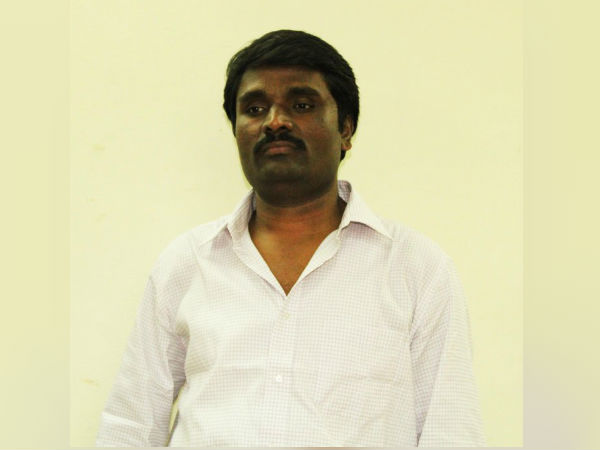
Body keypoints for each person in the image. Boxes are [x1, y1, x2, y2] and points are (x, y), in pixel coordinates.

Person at [96, 29, 485, 447]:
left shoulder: (416, 269)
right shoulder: (187, 263)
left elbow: (451, 431)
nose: (275, 122)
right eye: (254, 109)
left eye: (301, 105)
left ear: (346, 130)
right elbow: (131, 426)